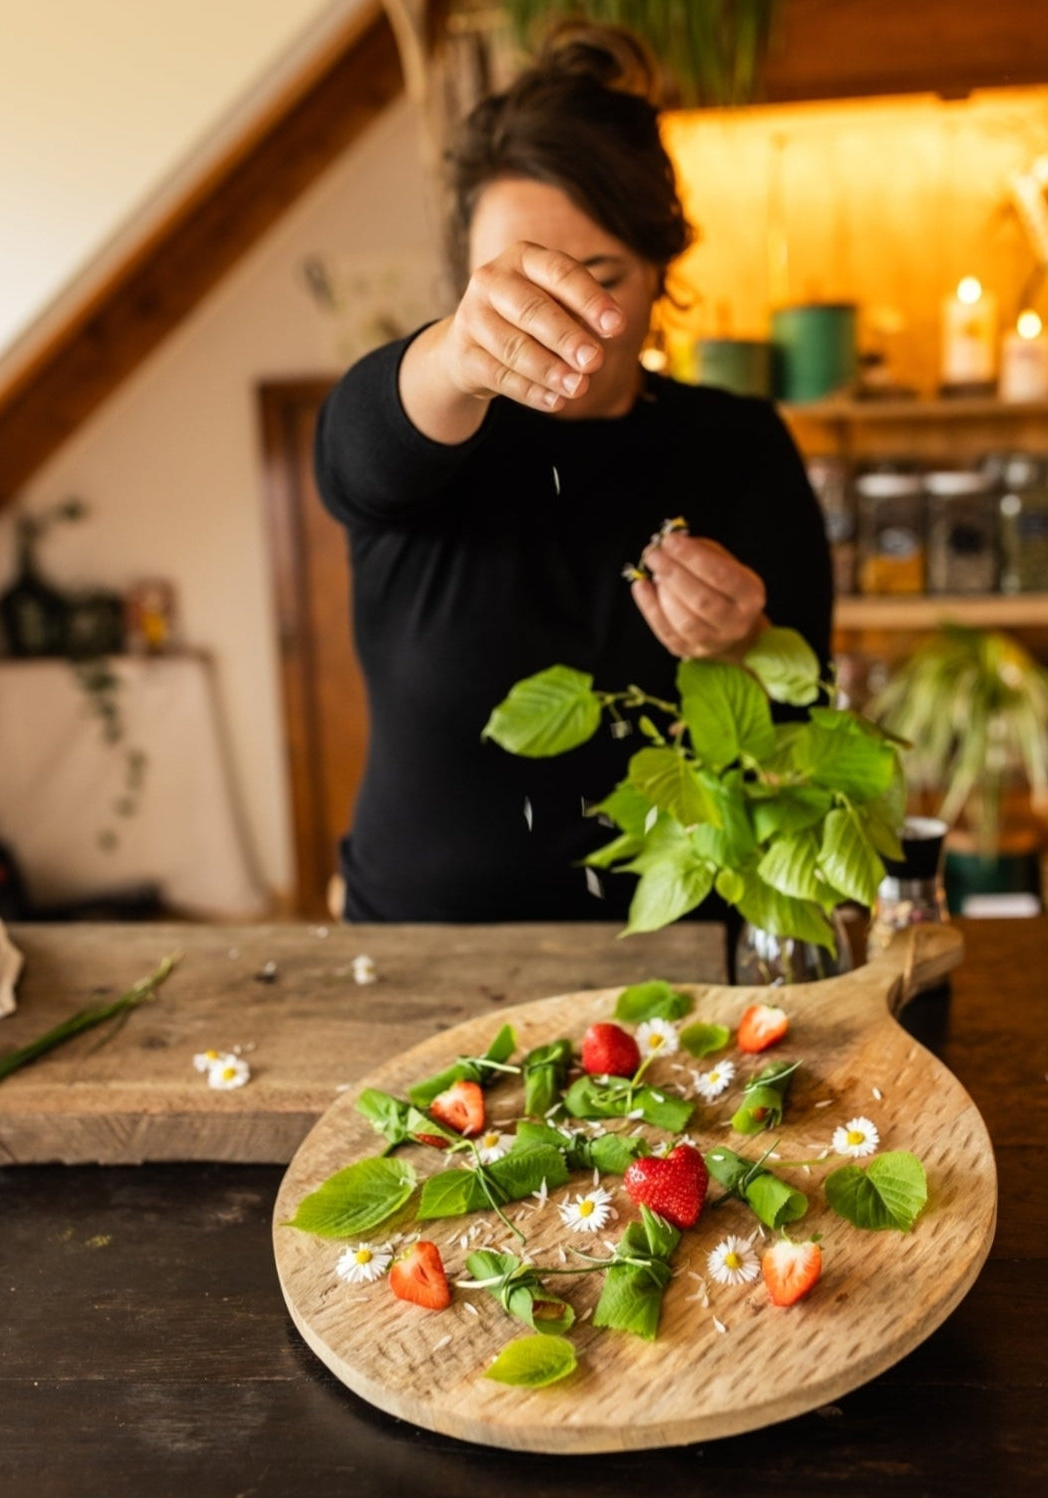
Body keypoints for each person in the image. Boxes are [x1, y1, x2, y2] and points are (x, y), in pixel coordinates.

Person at [314, 23, 833, 925]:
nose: (562, 325)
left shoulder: (737, 444)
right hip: (416, 956)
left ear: (660, 267)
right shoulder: (432, 426)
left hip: (673, 972)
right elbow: (352, 455)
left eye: (600, 279)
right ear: (467, 281)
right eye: (518, 283)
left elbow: (809, 710)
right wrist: (452, 358)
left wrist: (745, 647)